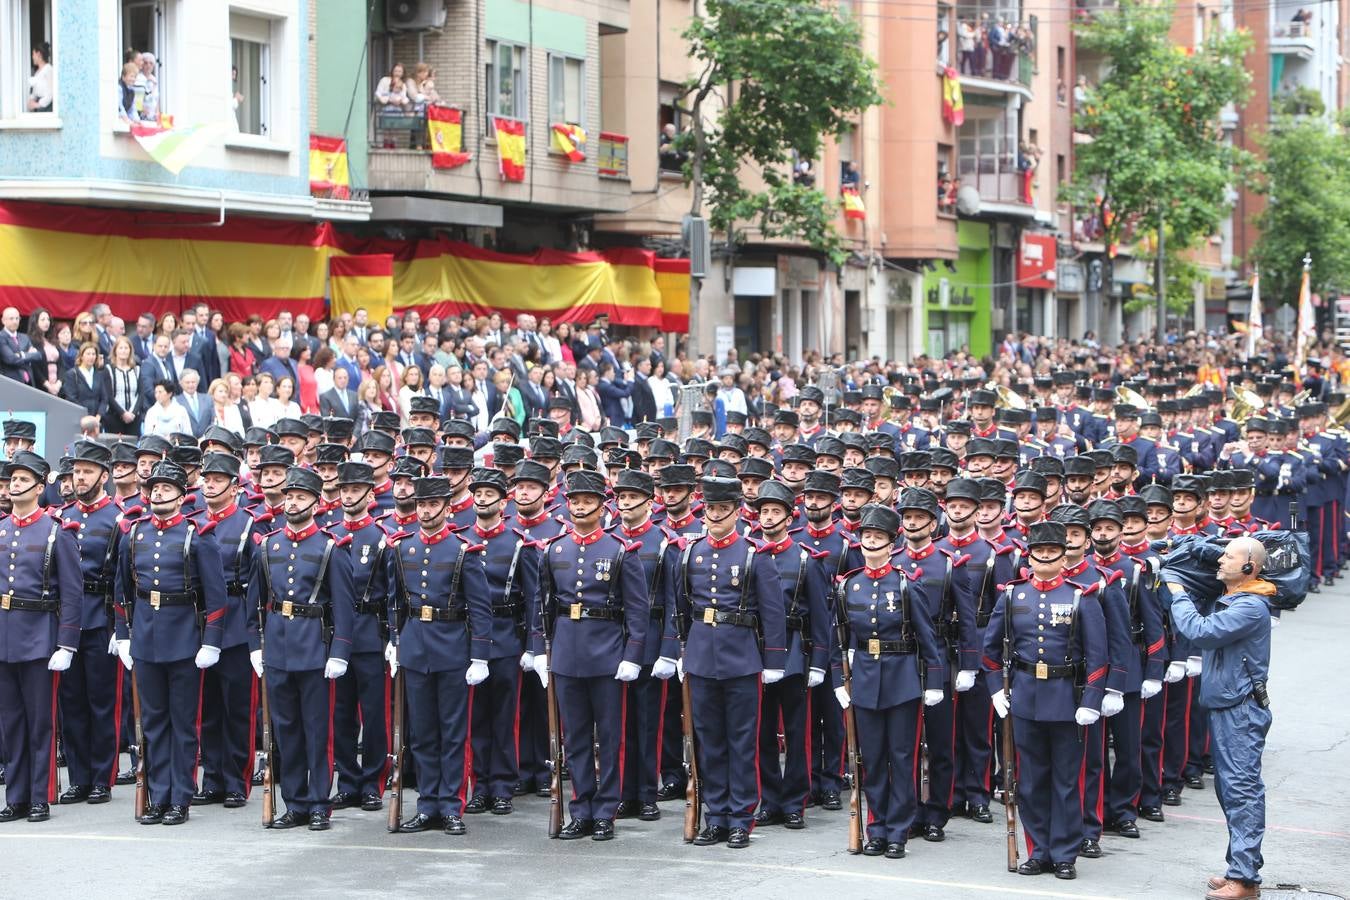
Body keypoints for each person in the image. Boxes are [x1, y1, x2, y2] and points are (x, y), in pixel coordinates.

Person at [653, 476, 787, 849]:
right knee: (708, 742)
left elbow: (773, 613)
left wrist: (774, 659)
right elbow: (679, 608)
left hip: (742, 657)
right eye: (710, 510)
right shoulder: (690, 552)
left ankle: (741, 817)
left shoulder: (753, 554)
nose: (714, 516)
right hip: (699, 655)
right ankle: (716, 816)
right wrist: (680, 651)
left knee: (742, 741)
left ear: (736, 513)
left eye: (722, 510)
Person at [982, 520, 1108, 880]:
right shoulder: (1012, 595)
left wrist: (1091, 700)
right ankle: (1038, 850)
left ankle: (1065, 852)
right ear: (1030, 555)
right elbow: (991, 650)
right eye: (1040, 552)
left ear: (1064, 556)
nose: (1047, 558)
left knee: (1066, 781)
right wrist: (995, 689)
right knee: (1032, 781)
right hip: (1024, 697)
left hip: (1066, 698)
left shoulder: (1078, 596)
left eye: (1054, 552)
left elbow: (1099, 655)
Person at [530, 469, 648, 841]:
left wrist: (632, 655)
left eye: (588, 502)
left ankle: (605, 812)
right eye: (575, 501)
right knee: (575, 738)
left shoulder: (619, 550)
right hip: (566, 652)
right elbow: (542, 604)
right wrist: (538, 650)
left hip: (607, 652)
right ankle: (581, 808)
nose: (581, 507)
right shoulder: (554, 549)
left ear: (602, 505)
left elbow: (637, 610)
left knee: (609, 737)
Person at [112, 460, 228, 826]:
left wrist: (211, 642)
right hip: (146, 638)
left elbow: (216, 597)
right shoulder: (134, 534)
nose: (158, 492)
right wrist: (124, 635)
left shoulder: (197, 535)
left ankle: (180, 797)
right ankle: (158, 796)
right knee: (153, 723)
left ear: (181, 495)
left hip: (184, 640)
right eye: (154, 487)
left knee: (183, 723)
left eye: (166, 487)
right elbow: (122, 592)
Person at [1165, 537, 1275, 900]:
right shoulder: (1235, 597)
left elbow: (1199, 632)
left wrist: (1178, 592)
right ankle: (1239, 868)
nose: (1221, 561)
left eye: (1230, 557)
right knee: (1231, 790)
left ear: (1249, 568)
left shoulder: (1250, 607)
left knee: (1241, 791)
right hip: (1230, 705)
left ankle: (1244, 878)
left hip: (1241, 710)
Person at [387, 475, 490, 835]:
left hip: (452, 650)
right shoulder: (402, 548)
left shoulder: (464, 550)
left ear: (447, 508)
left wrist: (479, 655)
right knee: (422, 735)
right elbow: (396, 603)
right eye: (421, 505)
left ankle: (451, 805)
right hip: (415, 648)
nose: (426, 511)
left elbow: (480, 608)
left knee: (452, 733)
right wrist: (394, 640)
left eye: (433, 505)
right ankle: (427, 804)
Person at [0, 452, 83, 823]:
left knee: (40, 722)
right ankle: (15, 796)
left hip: (38, 636)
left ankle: (40, 795)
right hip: (4, 635)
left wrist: (66, 643)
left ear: (39, 486)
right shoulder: (1, 528)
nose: (13, 486)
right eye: (11, 481)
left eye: (21, 480)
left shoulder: (56, 532)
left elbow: (72, 592)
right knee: (11, 722)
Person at [189, 452, 262, 811]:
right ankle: (213, 777)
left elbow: (257, 582)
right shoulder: (194, 523)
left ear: (234, 485)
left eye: (218, 479)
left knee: (237, 708)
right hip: (202, 622)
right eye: (206, 478)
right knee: (210, 707)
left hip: (236, 621)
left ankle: (237, 780)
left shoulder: (248, 525)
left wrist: (255, 634)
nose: (210, 484)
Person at [328, 461, 391, 813]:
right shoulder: (332, 535)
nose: (349, 496)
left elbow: (392, 591)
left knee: (373, 713)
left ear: (370, 494)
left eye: (355, 490)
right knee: (340, 714)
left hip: (369, 634)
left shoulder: (380, 538)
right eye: (345, 490)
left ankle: (372, 782)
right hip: (338, 635)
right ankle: (348, 780)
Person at [61, 342, 111, 419]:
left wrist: (99, 415)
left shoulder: (99, 374)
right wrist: (86, 415)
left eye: (93, 354)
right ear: (81, 356)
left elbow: (104, 398)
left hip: (97, 419)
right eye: (88, 354)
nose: (91, 357)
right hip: (79, 417)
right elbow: (71, 398)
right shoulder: (72, 374)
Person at [106, 336, 142, 435]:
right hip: (114, 417)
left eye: (126, 348)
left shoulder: (137, 370)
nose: (123, 351)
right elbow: (109, 395)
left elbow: (141, 394)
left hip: (134, 418)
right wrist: (123, 413)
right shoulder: (109, 369)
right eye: (121, 348)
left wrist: (132, 413)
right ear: (115, 350)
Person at [0, 306, 42, 384]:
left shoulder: (25, 337)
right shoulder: (1, 337)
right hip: (11, 383)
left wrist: (21, 355)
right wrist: (29, 355)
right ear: (3, 320)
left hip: (29, 382)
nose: (15, 321)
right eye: (11, 318)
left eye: (17, 318)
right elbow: (11, 359)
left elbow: (38, 356)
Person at [26, 43, 53, 112]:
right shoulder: (37, 73)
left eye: (33, 54)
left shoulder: (48, 69)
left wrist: (37, 104)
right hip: (39, 108)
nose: (32, 57)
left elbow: (51, 93)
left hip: (47, 108)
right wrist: (31, 100)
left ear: (39, 54)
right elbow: (35, 92)